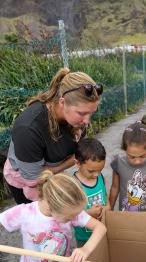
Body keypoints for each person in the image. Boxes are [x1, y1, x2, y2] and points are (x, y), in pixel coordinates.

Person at [3, 68, 103, 204]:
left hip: (52, 173)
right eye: (82, 113)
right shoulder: (28, 128)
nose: (87, 121)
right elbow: (33, 180)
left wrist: (54, 169)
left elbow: (77, 154)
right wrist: (60, 168)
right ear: (62, 102)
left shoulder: (76, 120)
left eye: (91, 113)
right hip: (27, 182)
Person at [109, 121, 146, 212]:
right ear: (125, 149)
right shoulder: (118, 163)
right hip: (126, 214)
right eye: (132, 157)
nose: (137, 161)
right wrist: (109, 208)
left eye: (142, 156)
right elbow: (115, 187)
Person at [73, 138, 110, 247]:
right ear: (78, 163)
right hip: (84, 239)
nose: (96, 175)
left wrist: (105, 209)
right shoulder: (73, 185)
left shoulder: (100, 178)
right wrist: (88, 214)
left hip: (102, 232)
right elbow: (70, 216)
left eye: (100, 170)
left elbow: (107, 201)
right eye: (91, 171)